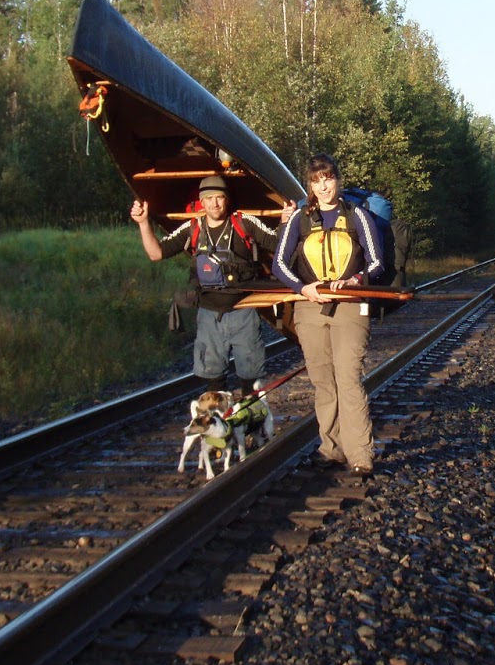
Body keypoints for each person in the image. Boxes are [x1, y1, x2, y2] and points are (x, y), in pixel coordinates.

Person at [273, 153, 386, 473]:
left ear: (337, 180)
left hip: (351, 305)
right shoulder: (299, 218)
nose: (323, 186)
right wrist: (301, 288)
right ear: (310, 185)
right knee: (323, 381)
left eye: (328, 179)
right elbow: (278, 264)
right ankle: (331, 447)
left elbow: (377, 263)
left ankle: (361, 454)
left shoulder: (358, 216)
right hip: (309, 306)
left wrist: (355, 280)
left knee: (348, 377)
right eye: (316, 181)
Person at [131, 174, 280, 399]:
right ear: (202, 201)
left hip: (244, 310)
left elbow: (277, 243)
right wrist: (143, 223)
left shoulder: (244, 223)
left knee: (251, 378)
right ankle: (218, 428)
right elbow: (156, 253)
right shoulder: (192, 228)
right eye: (208, 198)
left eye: (219, 197)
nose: (214, 204)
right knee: (213, 380)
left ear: (226, 199)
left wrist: (287, 222)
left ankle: (251, 427)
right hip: (209, 314)